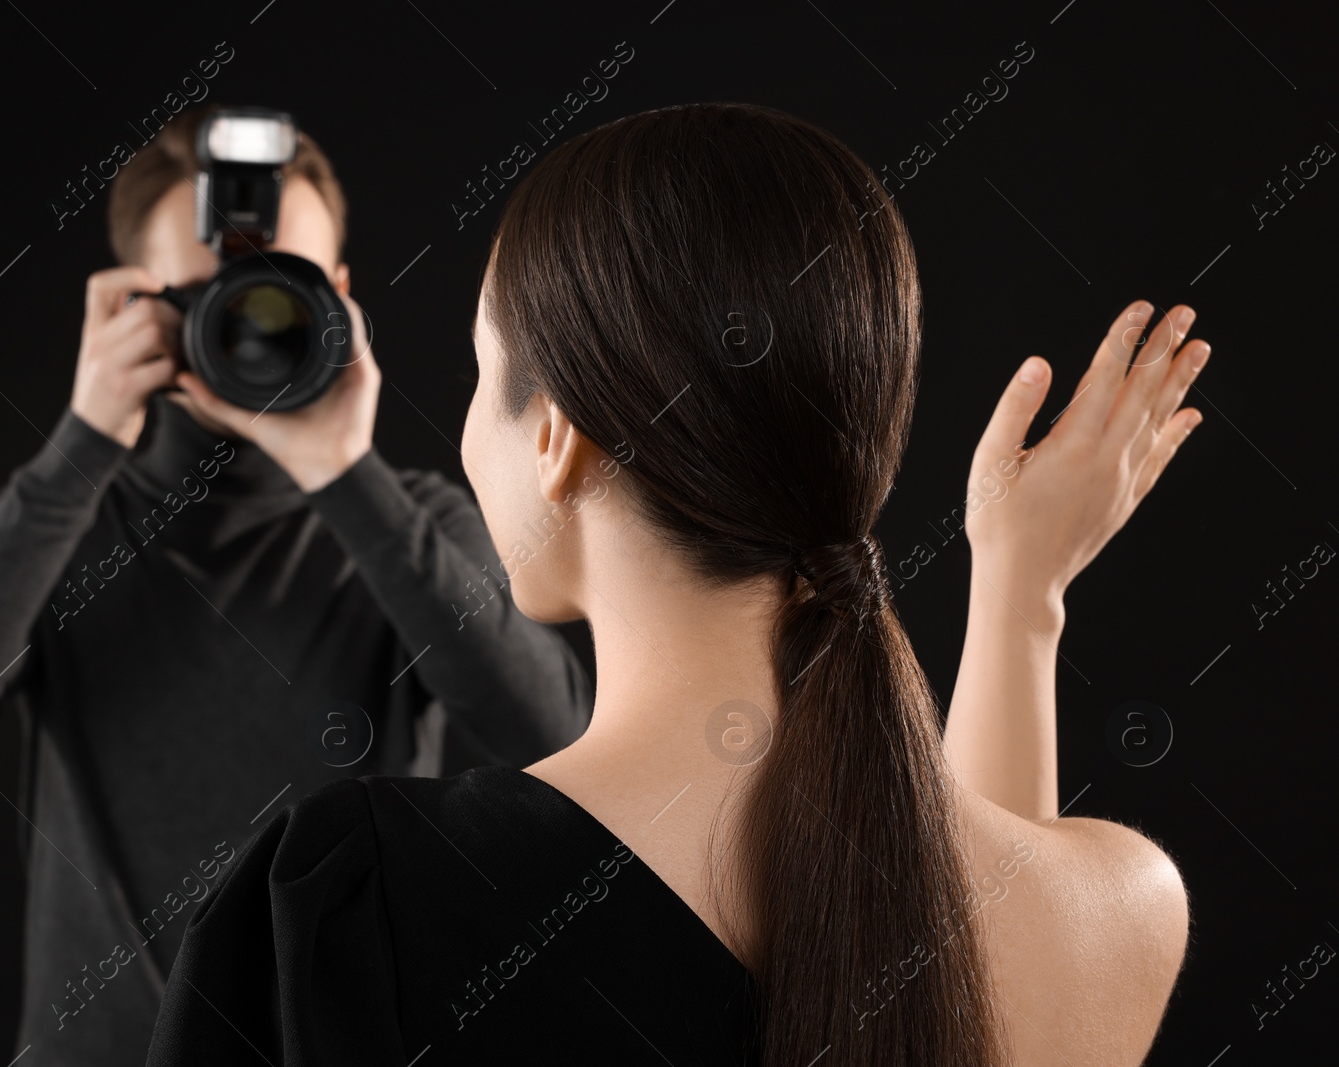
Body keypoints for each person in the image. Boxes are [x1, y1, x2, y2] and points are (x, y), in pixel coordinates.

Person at [144, 102, 1203, 1067]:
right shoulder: (1123, 912)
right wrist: (1020, 595)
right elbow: (974, 954)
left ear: (556, 434)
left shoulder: (349, 898)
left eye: (481, 371)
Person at [0, 104, 591, 1066]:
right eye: (210, 292)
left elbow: (553, 736)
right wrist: (82, 441)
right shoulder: (65, 526)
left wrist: (343, 473)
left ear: (342, 300)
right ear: (131, 306)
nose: (251, 321)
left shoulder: (409, 524)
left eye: (281, 288)